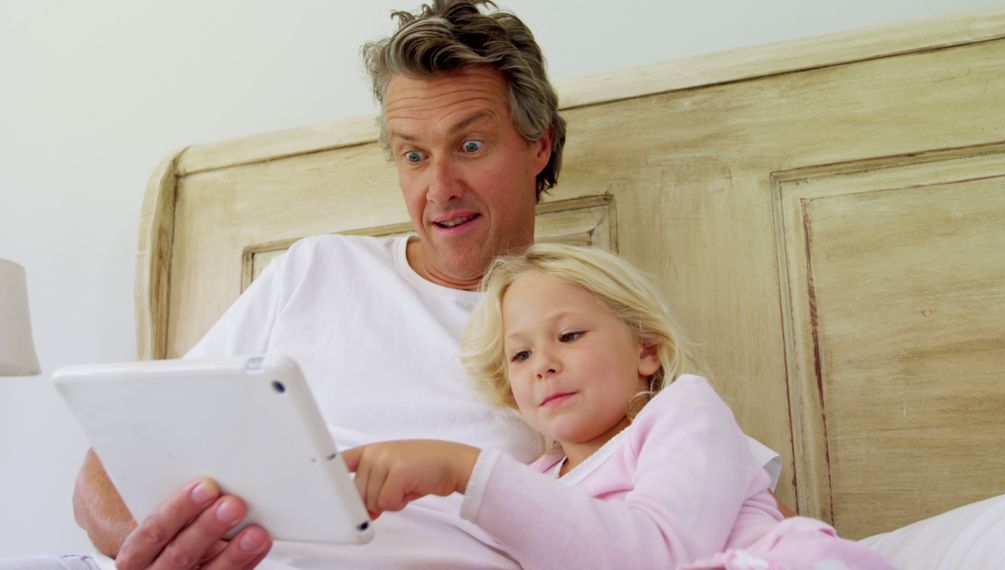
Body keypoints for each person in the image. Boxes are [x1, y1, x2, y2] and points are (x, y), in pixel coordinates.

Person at [70, 1, 783, 568]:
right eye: (414, 155)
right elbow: (108, 465)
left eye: (470, 145)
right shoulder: (314, 270)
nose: (440, 187)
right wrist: (155, 548)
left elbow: (686, 522)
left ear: (538, 145)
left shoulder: (587, 345)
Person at [346, 243, 894, 569]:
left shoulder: (683, 414)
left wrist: (462, 469)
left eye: (570, 336)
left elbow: (659, 556)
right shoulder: (540, 482)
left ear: (646, 350)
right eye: (520, 353)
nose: (543, 365)